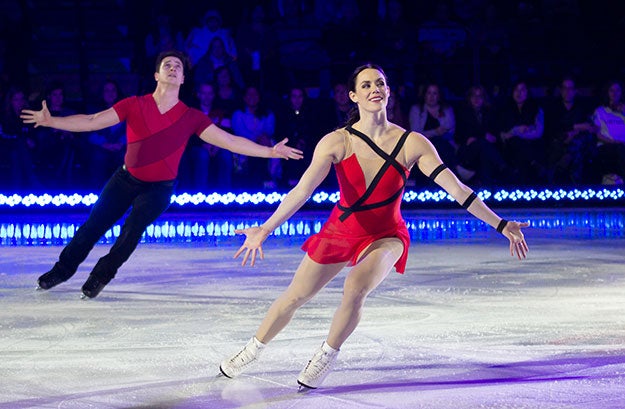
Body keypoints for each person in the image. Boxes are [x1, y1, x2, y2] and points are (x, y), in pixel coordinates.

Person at [219, 64, 529, 390]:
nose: (374, 89)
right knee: (295, 296)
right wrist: (265, 228)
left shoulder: (413, 143)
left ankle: (326, 354)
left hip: (387, 235)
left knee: (355, 287)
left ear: (389, 91)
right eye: (365, 85)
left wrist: (501, 223)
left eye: (380, 83)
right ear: (353, 95)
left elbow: (458, 190)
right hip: (341, 229)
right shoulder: (336, 141)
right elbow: (302, 191)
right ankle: (252, 350)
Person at [20, 50, 303, 299]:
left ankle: (100, 276)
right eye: (167, 64)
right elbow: (93, 121)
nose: (172, 68)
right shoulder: (134, 104)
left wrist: (270, 151)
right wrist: (52, 120)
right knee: (93, 226)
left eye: (178, 67)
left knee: (131, 232)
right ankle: (63, 270)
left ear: (182, 79)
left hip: (159, 188)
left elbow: (229, 141)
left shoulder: (191, 116)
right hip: (125, 179)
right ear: (157, 74)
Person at [591, 80, 625, 184]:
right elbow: (597, 134)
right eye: (611, 90)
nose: (614, 93)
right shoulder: (600, 111)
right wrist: (613, 142)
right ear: (607, 92)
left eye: (617, 90)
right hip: (606, 145)